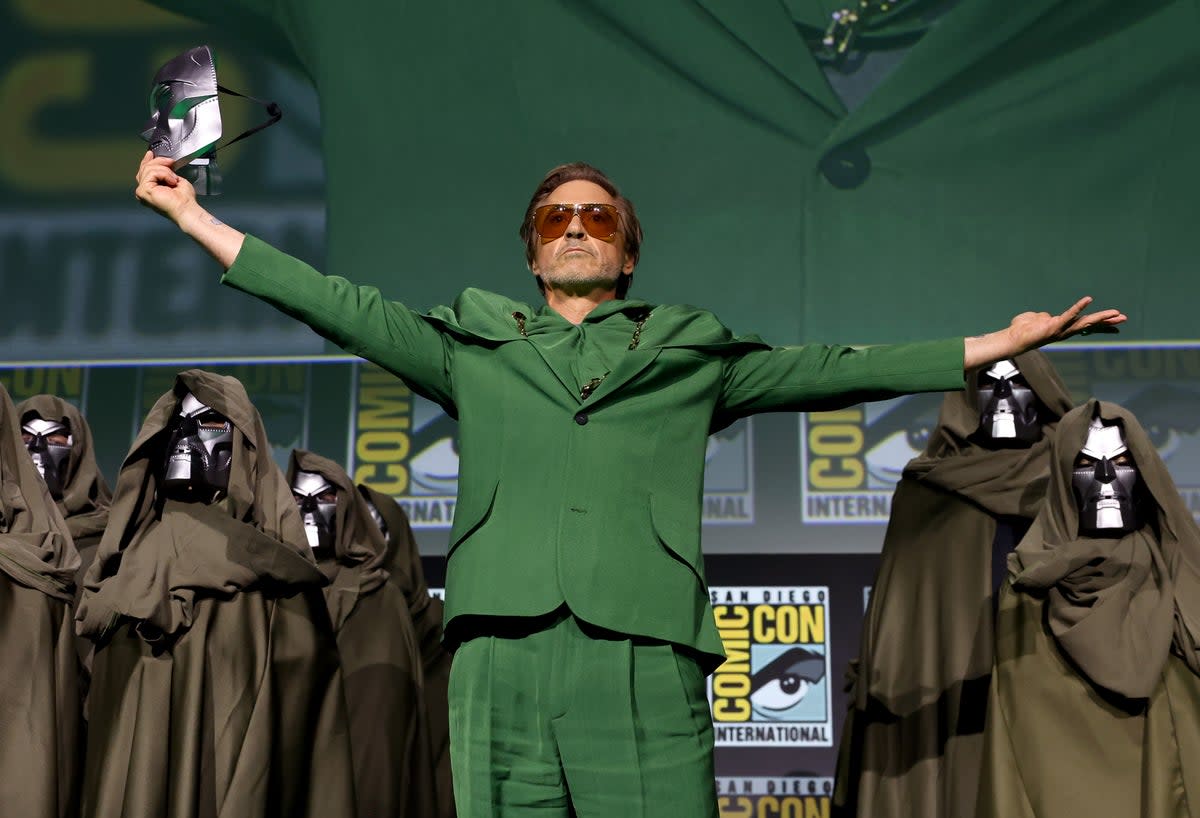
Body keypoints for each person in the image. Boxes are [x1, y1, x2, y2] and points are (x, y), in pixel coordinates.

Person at [134, 152, 1125, 817]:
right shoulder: (474, 345)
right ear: (531, 249)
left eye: (596, 215)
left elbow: (837, 366)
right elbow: (335, 305)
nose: (575, 226)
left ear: (627, 247)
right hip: (499, 648)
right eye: (555, 216)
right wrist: (192, 215)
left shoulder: (691, 353)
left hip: (645, 649)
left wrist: (993, 344)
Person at [76, 370, 355, 818]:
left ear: (242, 446)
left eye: (207, 423)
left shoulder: (277, 577)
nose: (187, 438)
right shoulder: (119, 565)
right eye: (178, 425)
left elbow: (305, 727)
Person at [833, 351, 1073, 817]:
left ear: (1043, 395)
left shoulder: (1075, 482)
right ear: (966, 400)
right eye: (990, 385)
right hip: (954, 689)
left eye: (1018, 384)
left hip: (1054, 684)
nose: (1003, 398)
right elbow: (904, 613)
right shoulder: (930, 489)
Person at [976, 399, 1200, 816]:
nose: (1105, 478)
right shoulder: (1029, 587)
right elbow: (1017, 740)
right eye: (1086, 464)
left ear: (1145, 473)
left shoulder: (1180, 573)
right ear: (1063, 478)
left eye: (1120, 462)